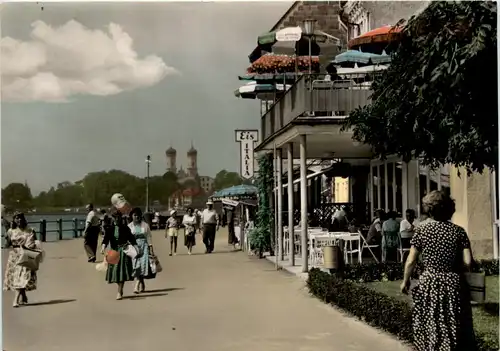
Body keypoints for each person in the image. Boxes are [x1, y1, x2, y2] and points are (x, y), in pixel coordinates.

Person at [400, 190, 477, 350]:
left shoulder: (422, 230)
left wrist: (405, 280)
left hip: (430, 281)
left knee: (431, 319)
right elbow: (468, 262)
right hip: (453, 282)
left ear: (429, 209)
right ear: (449, 209)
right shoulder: (458, 231)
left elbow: (411, 260)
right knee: (453, 319)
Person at [3, 212, 41, 307]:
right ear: (14, 220)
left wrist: (32, 247)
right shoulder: (11, 231)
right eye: (16, 218)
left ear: (23, 219)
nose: (19, 220)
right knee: (17, 278)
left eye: (20, 218)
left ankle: (15, 300)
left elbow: (35, 242)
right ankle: (23, 296)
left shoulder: (30, 230)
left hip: (26, 255)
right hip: (14, 256)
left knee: (22, 277)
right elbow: (7, 244)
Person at [101, 208, 138, 300]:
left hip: (123, 250)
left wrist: (136, 247)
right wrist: (103, 248)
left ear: (121, 218)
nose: (117, 219)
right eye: (115, 217)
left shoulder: (125, 228)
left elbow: (131, 238)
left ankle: (119, 290)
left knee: (122, 271)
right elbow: (105, 239)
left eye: (118, 217)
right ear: (112, 218)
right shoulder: (109, 228)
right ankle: (119, 288)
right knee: (114, 272)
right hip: (113, 251)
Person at [128, 207, 155, 294]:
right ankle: (141, 282)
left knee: (142, 266)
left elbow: (149, 237)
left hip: (144, 247)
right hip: (134, 248)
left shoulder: (145, 225)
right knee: (136, 266)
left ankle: (137, 285)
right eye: (135, 215)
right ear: (132, 216)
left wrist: (151, 249)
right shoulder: (129, 226)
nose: (137, 217)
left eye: (138, 215)